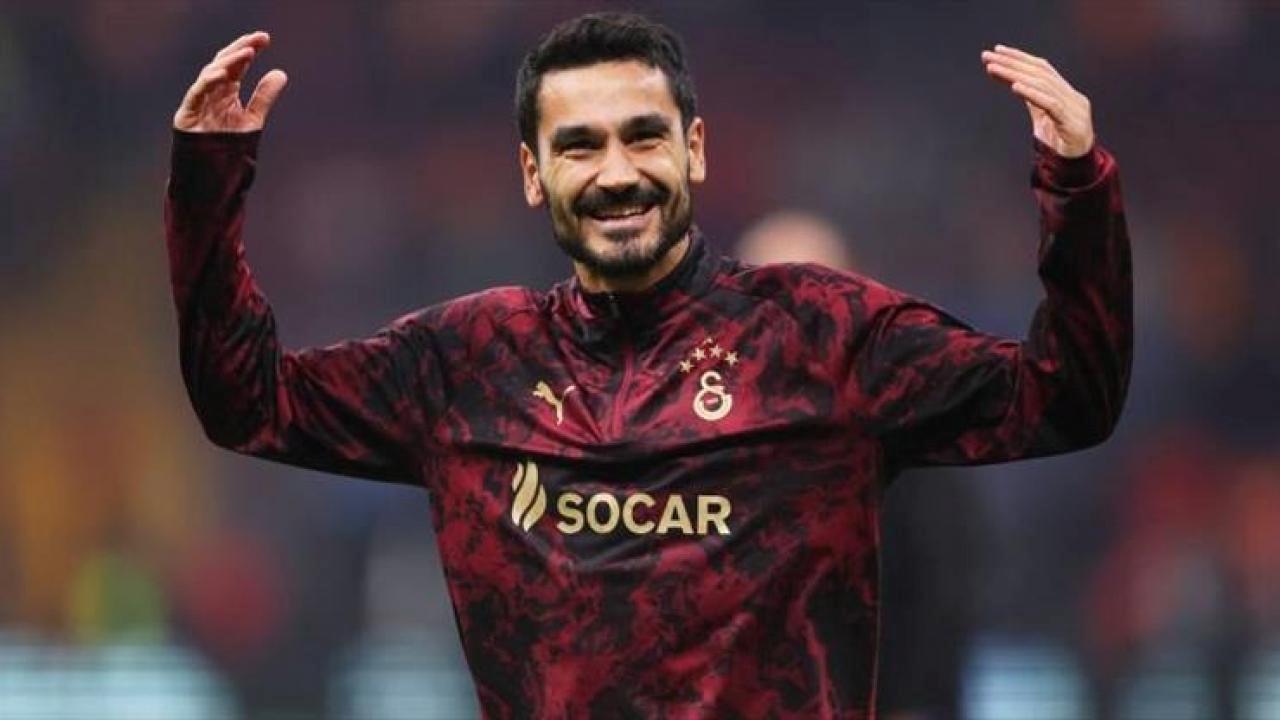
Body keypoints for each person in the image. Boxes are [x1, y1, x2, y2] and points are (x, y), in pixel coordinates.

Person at [166, 12, 1131, 719]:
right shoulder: (469, 362)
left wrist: (1078, 187)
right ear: (534, 172)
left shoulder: (823, 335)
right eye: (580, 146)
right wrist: (209, 181)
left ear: (694, 151)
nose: (617, 173)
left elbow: (1066, 400)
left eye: (643, 137)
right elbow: (248, 402)